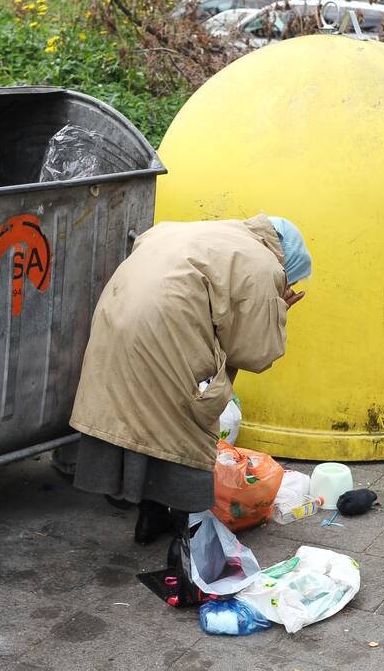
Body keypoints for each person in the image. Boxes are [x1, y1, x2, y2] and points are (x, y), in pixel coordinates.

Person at [69, 214, 311, 545]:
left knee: (138, 420)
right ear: (286, 264)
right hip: (164, 338)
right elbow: (255, 352)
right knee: (183, 429)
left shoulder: (199, 232)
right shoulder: (263, 265)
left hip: (115, 327)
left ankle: (149, 516)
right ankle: (187, 542)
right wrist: (277, 310)